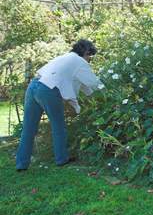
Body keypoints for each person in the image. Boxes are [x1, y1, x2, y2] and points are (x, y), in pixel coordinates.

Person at [15, 39, 104, 171]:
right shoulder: (80, 62)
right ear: (85, 52)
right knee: (58, 126)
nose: (90, 59)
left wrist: (91, 94)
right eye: (90, 55)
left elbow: (84, 85)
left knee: (28, 128)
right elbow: (94, 83)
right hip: (48, 90)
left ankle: (21, 165)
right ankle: (61, 159)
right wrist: (108, 90)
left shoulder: (65, 57)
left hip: (34, 85)